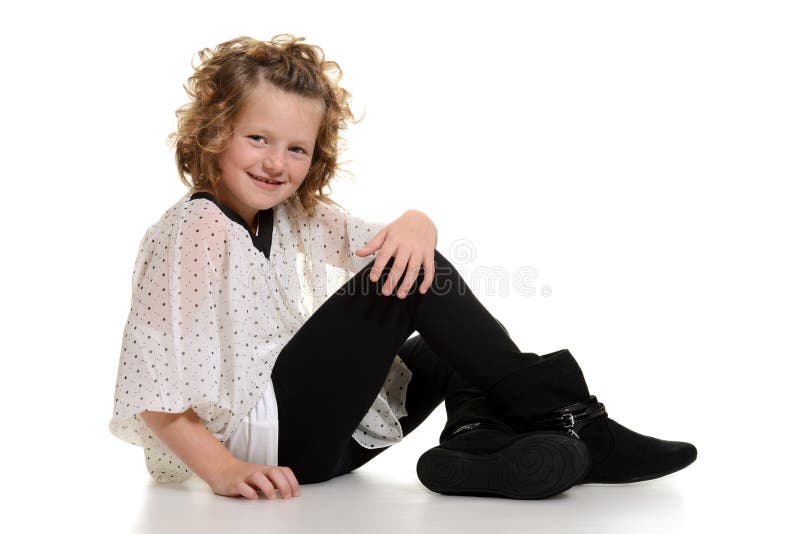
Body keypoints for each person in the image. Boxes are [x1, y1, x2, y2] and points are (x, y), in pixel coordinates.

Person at [108, 34, 696, 501]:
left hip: (320, 447)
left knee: (448, 343)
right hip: (264, 449)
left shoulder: (285, 215)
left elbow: (388, 243)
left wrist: (419, 219)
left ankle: (475, 440)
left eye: (296, 149)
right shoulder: (195, 228)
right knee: (413, 278)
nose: (276, 163)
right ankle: (574, 421)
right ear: (214, 132)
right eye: (258, 138)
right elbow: (150, 386)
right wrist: (224, 471)